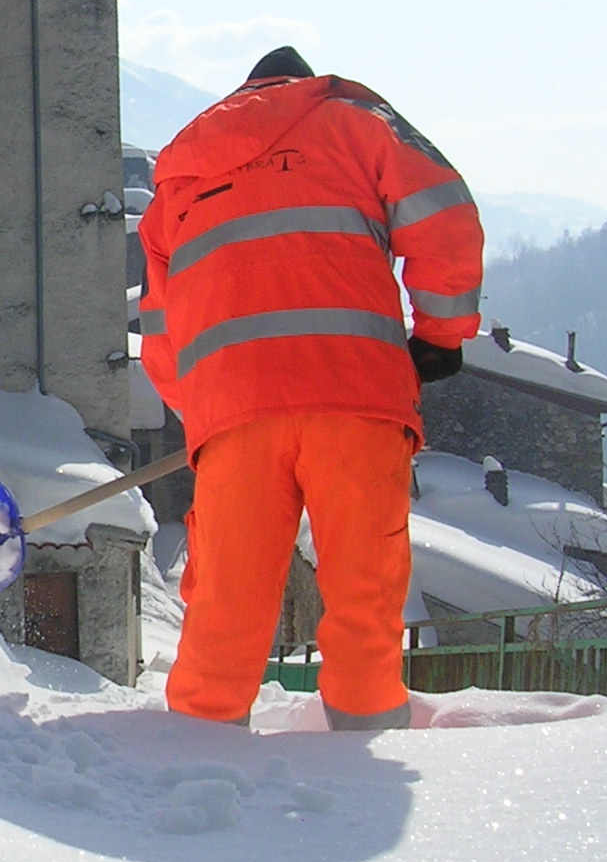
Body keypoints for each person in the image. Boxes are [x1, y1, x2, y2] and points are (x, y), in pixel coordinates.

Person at [136, 47, 483, 730]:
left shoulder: (180, 172)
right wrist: (441, 336)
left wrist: (207, 410)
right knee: (364, 586)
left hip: (234, 414)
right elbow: (444, 214)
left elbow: (159, 329)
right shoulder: (353, 119)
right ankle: (364, 736)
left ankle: (197, 742)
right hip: (355, 394)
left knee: (227, 600)